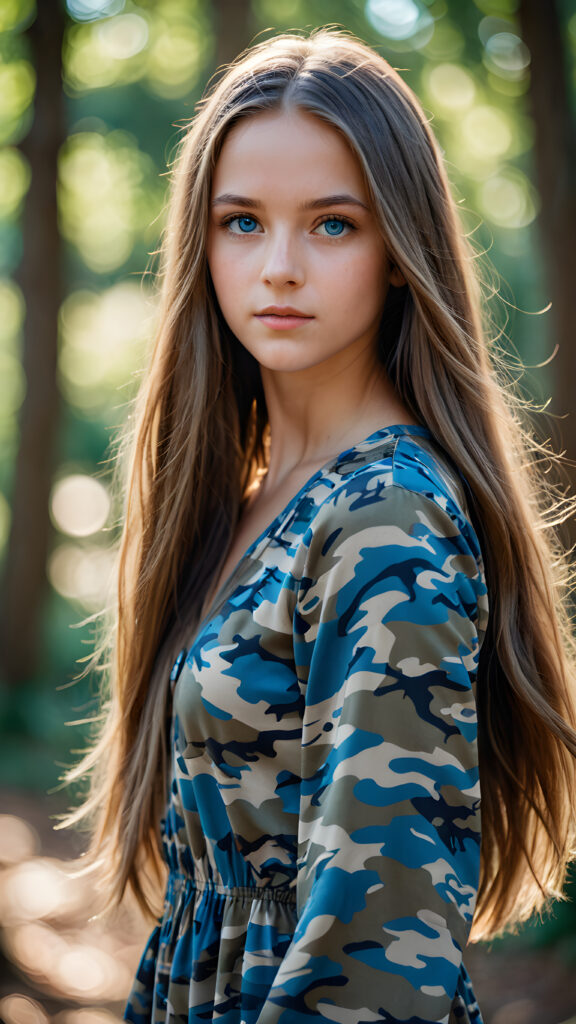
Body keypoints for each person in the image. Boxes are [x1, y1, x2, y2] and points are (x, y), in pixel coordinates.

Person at [67, 28, 576, 1024]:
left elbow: (378, 961)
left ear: (399, 250)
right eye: (242, 222)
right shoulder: (255, 495)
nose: (281, 267)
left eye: (333, 225)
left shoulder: (384, 516)